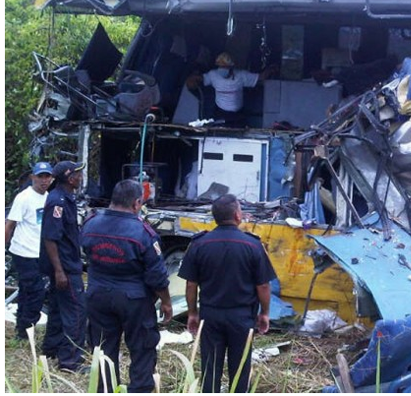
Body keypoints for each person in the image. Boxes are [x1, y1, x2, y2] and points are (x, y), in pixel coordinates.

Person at [178, 194, 277, 393]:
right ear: (237, 215)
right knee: (240, 369)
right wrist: (264, 313)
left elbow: (191, 285)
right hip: (241, 317)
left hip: (210, 316)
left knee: (210, 369)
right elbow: (263, 286)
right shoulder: (252, 245)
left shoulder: (199, 244)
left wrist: (193, 313)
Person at [81, 179, 172, 393]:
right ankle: (139, 390)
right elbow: (157, 276)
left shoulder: (90, 224)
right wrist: (166, 302)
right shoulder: (143, 233)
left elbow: (85, 252)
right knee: (142, 350)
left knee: (103, 349)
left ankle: (105, 390)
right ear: (137, 203)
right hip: (134, 300)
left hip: (98, 296)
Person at [39, 160, 87, 372]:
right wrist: (59, 271)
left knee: (58, 309)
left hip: (65, 264)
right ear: (70, 178)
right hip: (65, 267)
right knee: (77, 311)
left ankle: (51, 349)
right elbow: (50, 238)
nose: (81, 176)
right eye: (78, 174)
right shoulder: (58, 201)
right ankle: (70, 361)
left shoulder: (64, 198)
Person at [5, 162, 53, 340]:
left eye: (47, 176)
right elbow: (10, 225)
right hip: (23, 252)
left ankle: (21, 328)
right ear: (33, 177)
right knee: (36, 292)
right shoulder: (24, 198)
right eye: (40, 176)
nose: (44, 180)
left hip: (38, 252)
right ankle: (27, 327)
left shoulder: (48, 197)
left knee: (26, 291)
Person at [186, 52, 276, 126]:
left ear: (231, 67)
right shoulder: (213, 75)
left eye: (225, 67)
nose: (222, 69)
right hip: (221, 113)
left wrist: (271, 69)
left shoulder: (241, 76)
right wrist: (192, 78)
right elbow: (198, 79)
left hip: (238, 114)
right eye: (220, 67)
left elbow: (261, 77)